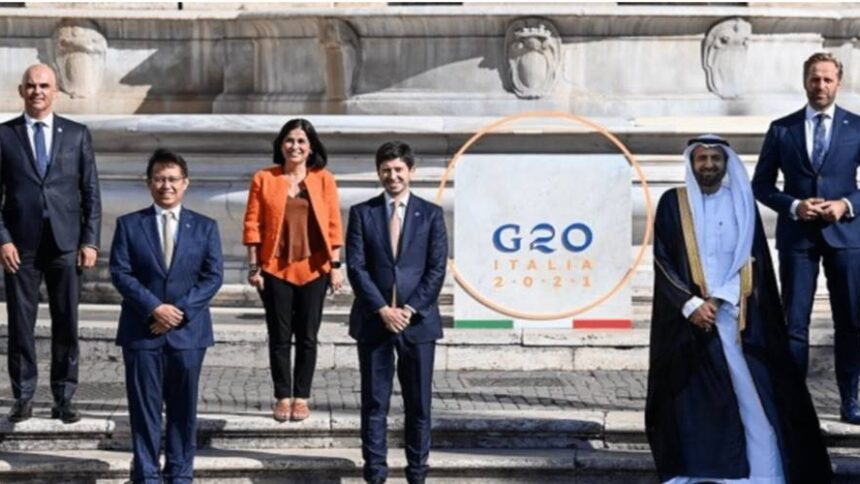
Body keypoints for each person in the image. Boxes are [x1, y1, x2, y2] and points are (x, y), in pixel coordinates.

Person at [646, 135, 832, 483]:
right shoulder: (674, 202)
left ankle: (761, 474)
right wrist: (690, 304)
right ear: (692, 163)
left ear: (726, 163)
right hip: (688, 319)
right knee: (693, 401)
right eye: (702, 159)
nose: (709, 165)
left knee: (752, 397)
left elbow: (752, 260)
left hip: (735, 316)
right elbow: (662, 259)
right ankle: (698, 473)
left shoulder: (740, 202)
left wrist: (717, 300)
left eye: (715, 159)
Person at [751, 52, 860, 424]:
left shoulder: (856, 127)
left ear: (838, 83)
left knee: (851, 321)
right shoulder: (782, 129)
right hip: (798, 238)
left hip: (846, 237)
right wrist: (794, 206)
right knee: (794, 323)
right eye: (815, 78)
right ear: (804, 81)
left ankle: (850, 400)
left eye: (828, 79)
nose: (821, 86)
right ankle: (794, 404)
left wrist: (846, 204)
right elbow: (761, 185)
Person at [110, 149, 223, 484]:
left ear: (185, 183)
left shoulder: (205, 227)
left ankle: (180, 474)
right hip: (141, 330)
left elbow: (213, 276)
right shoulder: (129, 225)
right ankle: (147, 475)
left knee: (183, 410)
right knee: (144, 410)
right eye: (159, 179)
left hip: (189, 334)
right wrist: (154, 308)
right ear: (149, 183)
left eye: (173, 179)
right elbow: (121, 272)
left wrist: (180, 312)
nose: (166, 185)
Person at [0, 64, 101, 424]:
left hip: (66, 243)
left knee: (66, 322)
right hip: (21, 246)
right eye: (31, 85)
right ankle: (23, 396)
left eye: (44, 85)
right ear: (21, 90)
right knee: (20, 324)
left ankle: (64, 396)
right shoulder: (5, 135)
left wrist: (90, 240)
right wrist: (3, 240)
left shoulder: (76, 134)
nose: (37, 91)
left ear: (56, 90)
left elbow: (91, 191)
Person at [346, 141, 448, 484]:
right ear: (379, 173)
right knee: (375, 403)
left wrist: (408, 308)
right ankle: (375, 473)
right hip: (374, 321)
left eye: (398, 169)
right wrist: (382, 309)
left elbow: (436, 268)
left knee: (418, 405)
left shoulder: (431, 214)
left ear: (411, 171)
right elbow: (356, 267)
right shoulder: (362, 213)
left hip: (418, 323)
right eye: (386, 170)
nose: (393, 176)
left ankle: (417, 473)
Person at [243, 118, 344, 422]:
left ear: (311, 147)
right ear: (281, 144)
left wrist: (336, 266)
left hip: (314, 268)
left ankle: (301, 397)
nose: (295, 146)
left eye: (301, 141)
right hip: (275, 268)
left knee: (308, 337)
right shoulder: (264, 178)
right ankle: (282, 396)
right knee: (279, 336)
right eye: (289, 140)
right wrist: (254, 266)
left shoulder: (324, 179)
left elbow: (333, 225)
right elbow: (252, 225)